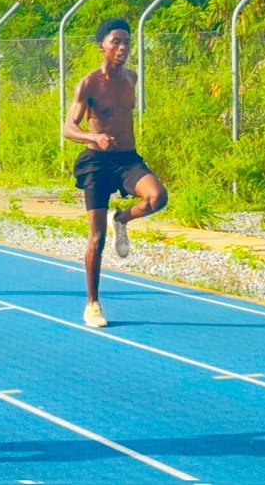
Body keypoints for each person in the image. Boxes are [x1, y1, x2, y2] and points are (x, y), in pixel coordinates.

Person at [63, 17, 169, 328]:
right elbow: (69, 128)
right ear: (102, 47)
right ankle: (93, 303)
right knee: (96, 237)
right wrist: (93, 137)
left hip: (127, 160)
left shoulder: (132, 79)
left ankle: (121, 218)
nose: (123, 48)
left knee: (157, 197)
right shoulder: (89, 84)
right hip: (97, 161)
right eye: (116, 43)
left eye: (126, 42)